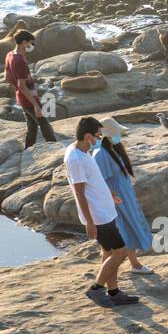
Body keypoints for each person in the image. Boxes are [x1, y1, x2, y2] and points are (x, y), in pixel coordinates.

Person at [65, 117, 139, 307]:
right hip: (99, 216)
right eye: (98, 136)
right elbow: (79, 192)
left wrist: (110, 193)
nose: (100, 139)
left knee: (108, 252)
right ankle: (96, 289)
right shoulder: (76, 159)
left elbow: (93, 181)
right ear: (88, 136)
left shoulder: (82, 151)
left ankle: (113, 292)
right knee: (120, 252)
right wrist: (89, 222)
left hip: (105, 210)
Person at [92, 117, 155, 274]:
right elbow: (99, 181)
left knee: (128, 228)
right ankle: (108, 272)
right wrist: (112, 197)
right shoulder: (100, 154)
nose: (119, 136)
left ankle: (133, 264)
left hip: (123, 195)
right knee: (119, 233)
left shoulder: (111, 149)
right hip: (116, 199)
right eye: (116, 133)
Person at [4, 29, 56, 149]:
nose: (31, 46)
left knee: (32, 127)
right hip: (29, 99)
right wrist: (35, 105)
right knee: (45, 125)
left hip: (22, 97)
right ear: (23, 42)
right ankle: (54, 147)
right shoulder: (20, 61)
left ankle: (28, 148)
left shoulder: (10, 55)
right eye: (30, 43)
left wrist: (18, 90)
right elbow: (22, 85)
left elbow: (8, 77)